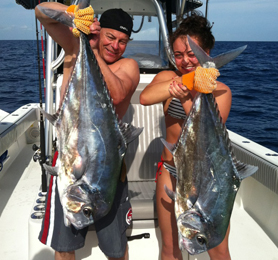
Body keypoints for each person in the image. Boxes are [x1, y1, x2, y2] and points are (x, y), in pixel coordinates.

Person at [35, 2, 139, 260]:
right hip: (73, 162)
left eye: (123, 41)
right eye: (111, 37)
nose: (116, 46)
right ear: (99, 30)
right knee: (63, 246)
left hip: (108, 171)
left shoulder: (129, 67)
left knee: (116, 248)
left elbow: (116, 94)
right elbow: (41, 13)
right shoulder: (73, 48)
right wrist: (73, 15)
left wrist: (90, 48)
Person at [140, 13, 232, 260]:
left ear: (207, 52)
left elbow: (207, 134)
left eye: (192, 54)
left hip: (209, 178)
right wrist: (188, 80)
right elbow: (145, 98)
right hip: (170, 171)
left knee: (218, 247)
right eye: (178, 55)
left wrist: (190, 96)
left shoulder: (221, 91)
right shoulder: (168, 78)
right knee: (170, 248)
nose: (185, 60)